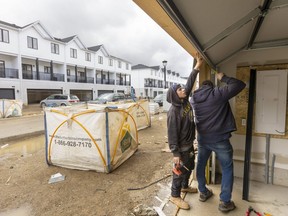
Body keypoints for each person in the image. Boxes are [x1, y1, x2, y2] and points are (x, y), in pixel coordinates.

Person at [190, 72, 246, 212]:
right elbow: (240, 84)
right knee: (227, 168)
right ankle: (225, 202)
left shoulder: (194, 99)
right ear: (211, 87)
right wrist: (224, 78)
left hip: (203, 138)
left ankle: (203, 192)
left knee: (201, 165)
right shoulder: (217, 93)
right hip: (220, 139)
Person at [166, 53, 203, 210]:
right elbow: (172, 134)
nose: (184, 90)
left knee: (189, 168)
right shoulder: (174, 111)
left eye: (182, 88)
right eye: (180, 89)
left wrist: (197, 66)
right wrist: (175, 154)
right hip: (180, 148)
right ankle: (175, 196)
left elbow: (189, 83)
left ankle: (184, 187)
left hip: (189, 145)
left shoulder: (185, 102)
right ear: (175, 94)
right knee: (179, 171)